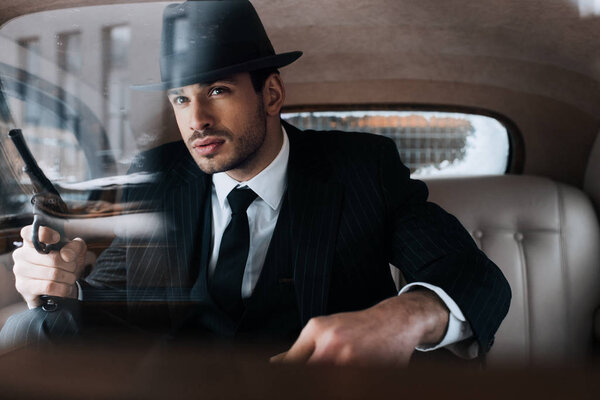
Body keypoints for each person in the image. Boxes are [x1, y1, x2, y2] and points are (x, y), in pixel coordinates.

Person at [1, 0, 510, 365]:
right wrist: (65, 288)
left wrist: (402, 317)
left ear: (271, 94)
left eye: (217, 90)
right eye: (180, 99)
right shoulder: (160, 177)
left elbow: (469, 271)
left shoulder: (362, 167)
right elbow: (122, 305)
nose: (195, 119)